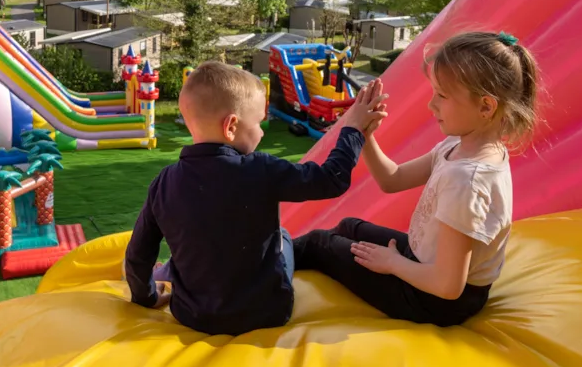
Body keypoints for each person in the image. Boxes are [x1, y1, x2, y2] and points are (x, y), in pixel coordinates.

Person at [293, 30, 539, 327]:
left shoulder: (467, 181)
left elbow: (448, 286)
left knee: (320, 244)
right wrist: (365, 134)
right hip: (423, 263)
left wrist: (394, 264)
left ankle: (261, 265)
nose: (431, 104)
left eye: (442, 96)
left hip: (435, 301)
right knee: (348, 226)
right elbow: (392, 179)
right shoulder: (458, 147)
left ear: (486, 107)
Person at [123, 60, 388, 336]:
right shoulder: (260, 168)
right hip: (267, 312)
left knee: (203, 237)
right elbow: (330, 179)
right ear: (231, 126)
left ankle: (170, 270)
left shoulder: (164, 182)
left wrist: (148, 297)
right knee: (283, 236)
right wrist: (353, 130)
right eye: (259, 123)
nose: (261, 132)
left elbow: (137, 256)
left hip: (192, 316)